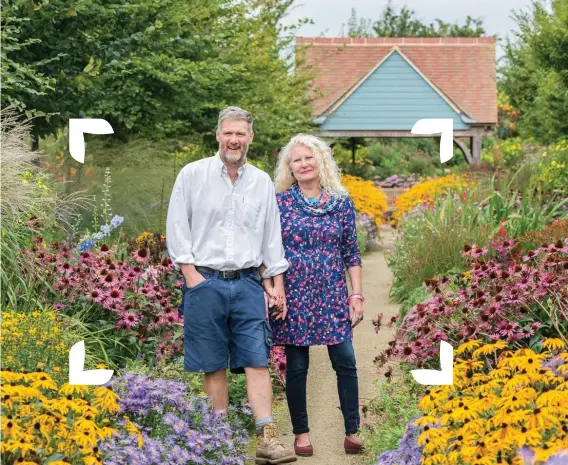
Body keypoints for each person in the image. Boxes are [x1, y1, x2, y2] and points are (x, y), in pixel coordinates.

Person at [166, 106, 297, 464]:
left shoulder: (261, 183)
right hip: (204, 282)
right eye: (229, 133)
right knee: (213, 365)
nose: (234, 139)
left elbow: (272, 239)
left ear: (250, 138)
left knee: (258, 359)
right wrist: (193, 278)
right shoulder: (192, 175)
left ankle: (268, 440)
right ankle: (219, 440)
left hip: (249, 284)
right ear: (218, 135)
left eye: (241, 133)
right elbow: (177, 228)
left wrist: (276, 284)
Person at [265, 134, 365, 457]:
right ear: (289, 168)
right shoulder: (280, 204)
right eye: (297, 160)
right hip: (293, 294)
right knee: (296, 366)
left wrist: (357, 294)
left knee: (346, 360)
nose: (304, 164)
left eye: (309, 158)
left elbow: (351, 252)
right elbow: (268, 250)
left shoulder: (341, 202)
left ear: (321, 161)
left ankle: (352, 431)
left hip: (333, 294)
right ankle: (302, 434)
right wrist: (273, 288)